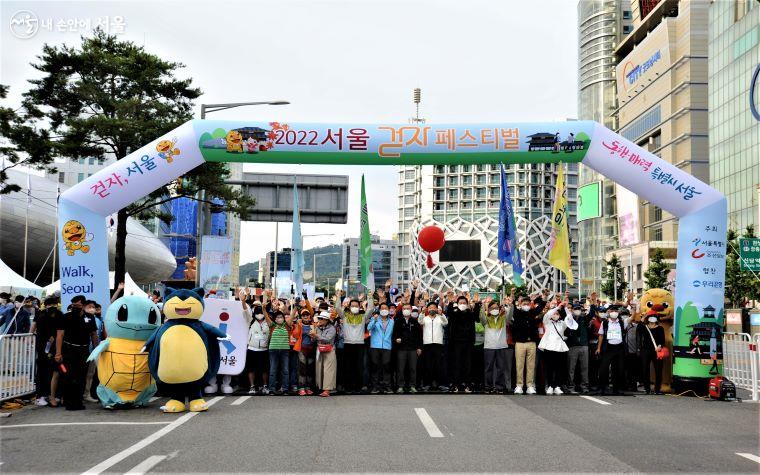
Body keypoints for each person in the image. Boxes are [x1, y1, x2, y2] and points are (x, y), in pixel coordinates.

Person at [55, 296, 99, 410]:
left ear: (83, 306)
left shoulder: (90, 317)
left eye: (78, 305)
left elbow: (93, 334)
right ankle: (68, 402)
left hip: (84, 351)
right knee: (68, 376)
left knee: (81, 376)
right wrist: (58, 353)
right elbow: (60, 335)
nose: (76, 307)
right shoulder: (66, 317)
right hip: (69, 350)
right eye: (74, 305)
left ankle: (78, 401)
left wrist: (97, 349)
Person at [336, 289, 374, 394]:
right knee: (348, 367)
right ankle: (348, 387)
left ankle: (358, 387)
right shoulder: (345, 316)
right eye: (352, 306)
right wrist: (339, 296)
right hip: (348, 344)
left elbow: (370, 309)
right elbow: (337, 308)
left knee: (359, 367)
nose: (354, 307)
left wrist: (370, 297)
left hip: (359, 344)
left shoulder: (363, 317)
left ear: (359, 306)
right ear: (349, 307)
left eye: (356, 306)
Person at [511, 289, 548, 394]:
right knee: (519, 365)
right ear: (521, 304)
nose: (526, 305)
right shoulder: (517, 313)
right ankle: (519, 385)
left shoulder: (532, 312)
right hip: (520, 343)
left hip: (532, 342)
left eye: (527, 303)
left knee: (531, 365)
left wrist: (544, 296)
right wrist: (513, 294)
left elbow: (541, 306)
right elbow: (513, 304)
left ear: (530, 305)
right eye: (524, 304)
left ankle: (530, 386)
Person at [538, 299, 577, 395]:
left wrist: (566, 308)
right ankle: (550, 385)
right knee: (549, 367)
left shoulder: (562, 323)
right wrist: (557, 307)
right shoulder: (547, 322)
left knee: (559, 368)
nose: (555, 315)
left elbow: (570, 319)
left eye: (557, 314)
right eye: (554, 313)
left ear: (559, 315)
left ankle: (557, 386)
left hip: (560, 348)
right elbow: (547, 314)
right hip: (549, 347)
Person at [31, 296, 62, 406]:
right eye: (51, 304)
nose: (53, 306)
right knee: (42, 370)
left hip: (55, 346)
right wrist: (30, 340)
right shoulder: (41, 314)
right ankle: (40, 396)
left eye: (55, 304)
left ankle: (52, 394)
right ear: (46, 305)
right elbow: (33, 327)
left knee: (53, 371)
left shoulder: (59, 314)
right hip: (42, 346)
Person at [446, 294, 481, 393]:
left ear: (467, 304)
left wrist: (477, 303)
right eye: (460, 303)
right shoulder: (455, 313)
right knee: (456, 364)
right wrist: (451, 302)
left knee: (468, 364)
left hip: (468, 343)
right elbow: (449, 314)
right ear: (457, 304)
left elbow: (476, 316)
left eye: (464, 303)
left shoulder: (470, 313)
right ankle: (455, 384)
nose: (462, 304)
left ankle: (468, 384)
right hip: (456, 343)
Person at [481, 296, 513, 394]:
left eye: (496, 308)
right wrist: (483, 307)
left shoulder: (503, 318)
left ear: (499, 309)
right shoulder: (486, 319)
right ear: (489, 309)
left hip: (501, 346)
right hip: (489, 347)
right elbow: (481, 317)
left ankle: (499, 387)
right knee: (488, 368)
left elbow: (510, 316)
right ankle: (488, 386)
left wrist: (510, 306)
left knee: (501, 368)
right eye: (492, 308)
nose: (494, 310)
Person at [595, 304, 628, 395]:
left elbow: (632, 318)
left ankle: (616, 389)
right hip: (608, 348)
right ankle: (602, 388)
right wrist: (598, 348)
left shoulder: (622, 322)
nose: (614, 313)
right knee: (603, 369)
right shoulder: (605, 323)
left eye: (616, 311)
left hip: (619, 348)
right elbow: (601, 335)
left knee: (618, 369)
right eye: (612, 311)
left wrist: (634, 308)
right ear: (609, 313)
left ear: (618, 313)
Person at [565, 300, 595, 394]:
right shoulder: (568, 319)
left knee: (584, 368)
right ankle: (570, 387)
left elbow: (591, 314)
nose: (577, 310)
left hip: (584, 345)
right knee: (571, 368)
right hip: (572, 346)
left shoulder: (584, 318)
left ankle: (584, 386)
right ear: (572, 310)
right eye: (575, 309)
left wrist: (593, 303)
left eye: (579, 309)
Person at [418, 300, 448, 391]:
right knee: (428, 365)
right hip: (427, 344)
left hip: (438, 344)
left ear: (436, 309)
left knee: (439, 365)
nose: (432, 309)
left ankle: (441, 384)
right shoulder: (425, 318)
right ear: (428, 309)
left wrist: (441, 314)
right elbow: (420, 321)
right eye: (430, 308)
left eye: (434, 308)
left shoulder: (440, 318)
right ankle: (427, 384)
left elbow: (446, 323)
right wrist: (422, 313)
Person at [392, 302, 422, 394]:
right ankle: (400, 386)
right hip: (401, 349)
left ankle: (412, 386)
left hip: (413, 348)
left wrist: (419, 347)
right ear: (402, 310)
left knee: (413, 368)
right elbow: (394, 334)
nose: (406, 310)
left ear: (411, 310)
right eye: (404, 309)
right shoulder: (398, 321)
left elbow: (419, 336)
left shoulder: (414, 321)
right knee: (400, 368)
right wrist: (396, 340)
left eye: (408, 309)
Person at [263, 301, 291, 396]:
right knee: (273, 370)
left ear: (283, 318)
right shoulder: (272, 326)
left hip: (285, 350)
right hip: (273, 350)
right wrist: (263, 308)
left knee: (285, 370)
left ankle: (285, 389)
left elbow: (292, 315)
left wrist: (296, 307)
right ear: (275, 319)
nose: (279, 318)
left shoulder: (287, 325)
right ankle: (271, 389)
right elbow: (266, 316)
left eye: (281, 317)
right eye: (278, 317)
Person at [368, 302, 395, 394]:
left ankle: (387, 386)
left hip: (387, 346)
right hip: (375, 346)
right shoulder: (374, 319)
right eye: (382, 308)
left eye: (385, 308)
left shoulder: (392, 321)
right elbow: (369, 328)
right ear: (379, 310)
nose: (384, 310)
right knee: (375, 367)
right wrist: (374, 320)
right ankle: (375, 386)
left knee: (386, 367)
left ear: (388, 310)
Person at [246, 299, 270, 395]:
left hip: (264, 349)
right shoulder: (251, 321)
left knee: (264, 369)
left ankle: (265, 386)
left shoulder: (268, 322)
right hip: (252, 349)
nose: (259, 314)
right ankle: (252, 386)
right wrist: (243, 300)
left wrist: (264, 308)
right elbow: (245, 311)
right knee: (251, 369)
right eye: (257, 312)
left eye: (261, 312)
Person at [638, 311, 665, 394]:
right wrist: (643, 317)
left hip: (657, 351)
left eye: (654, 316)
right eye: (651, 316)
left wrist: (660, 346)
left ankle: (657, 390)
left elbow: (662, 340)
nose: (652, 318)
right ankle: (647, 389)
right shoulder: (644, 327)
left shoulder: (660, 328)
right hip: (645, 351)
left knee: (658, 370)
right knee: (645, 369)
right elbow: (638, 328)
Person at [311, 310, 337, 397]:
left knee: (328, 370)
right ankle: (321, 388)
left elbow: (328, 339)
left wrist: (316, 336)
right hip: (320, 349)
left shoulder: (332, 328)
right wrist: (313, 336)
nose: (320, 320)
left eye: (322, 319)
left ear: (327, 320)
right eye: (319, 318)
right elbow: (314, 340)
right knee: (319, 369)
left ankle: (327, 390)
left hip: (329, 350)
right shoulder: (317, 327)